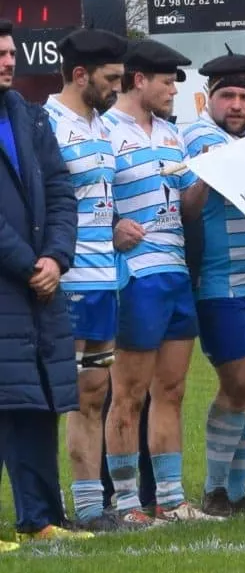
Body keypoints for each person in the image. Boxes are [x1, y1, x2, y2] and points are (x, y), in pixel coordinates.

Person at [104, 39, 216, 524]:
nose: (173, 91)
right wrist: (111, 230)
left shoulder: (173, 135)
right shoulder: (105, 130)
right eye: (167, 82)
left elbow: (187, 210)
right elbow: (83, 200)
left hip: (175, 272)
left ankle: (170, 499)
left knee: (171, 391)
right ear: (138, 80)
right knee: (128, 392)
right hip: (136, 278)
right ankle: (126, 501)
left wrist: (206, 180)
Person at [182, 50, 245, 513]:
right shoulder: (198, 138)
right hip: (220, 284)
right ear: (210, 100)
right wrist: (209, 171)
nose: (237, 105)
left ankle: (239, 491)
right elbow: (187, 208)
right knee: (238, 382)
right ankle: (215, 488)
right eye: (228, 96)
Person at [0, 21, 86, 546]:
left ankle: (40, 520)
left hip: (37, 288)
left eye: (9, 53)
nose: (7, 63)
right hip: (17, 281)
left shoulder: (30, 118)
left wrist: (56, 256)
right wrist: (29, 264)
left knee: (35, 402)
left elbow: (61, 192)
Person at [41, 29, 126, 529]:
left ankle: (92, 507)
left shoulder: (104, 125)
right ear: (80, 74)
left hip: (105, 277)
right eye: (111, 78)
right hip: (65, 281)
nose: (118, 87)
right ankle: (45, 507)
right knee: (54, 396)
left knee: (94, 392)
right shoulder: (43, 122)